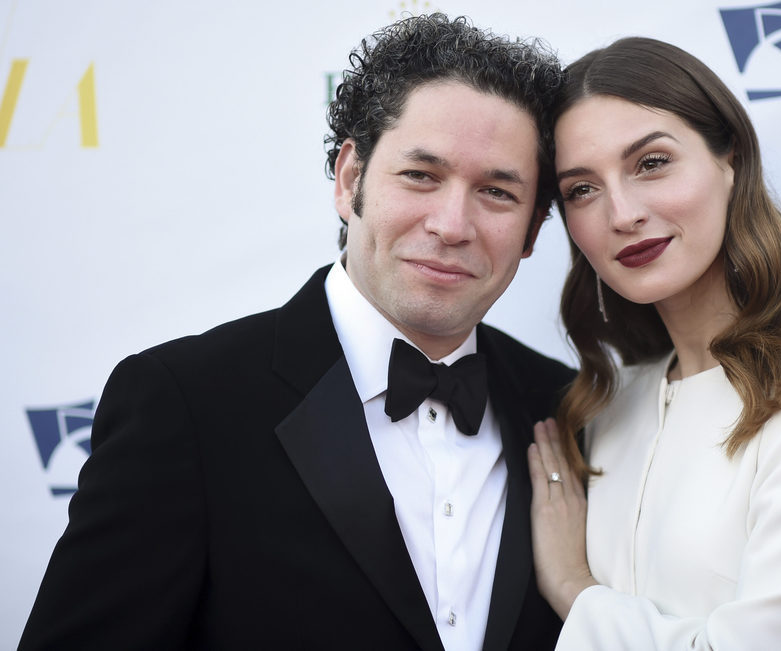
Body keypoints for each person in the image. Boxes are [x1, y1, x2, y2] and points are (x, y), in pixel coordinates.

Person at [20, 14, 572, 651]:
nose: (452, 224)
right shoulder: (186, 403)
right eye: (421, 175)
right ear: (349, 179)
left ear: (532, 231)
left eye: (497, 192)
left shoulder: (566, 408)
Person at [526, 37, 781, 649]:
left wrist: (575, 590)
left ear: (729, 157)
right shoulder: (612, 405)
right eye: (581, 189)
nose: (621, 213)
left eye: (651, 163)